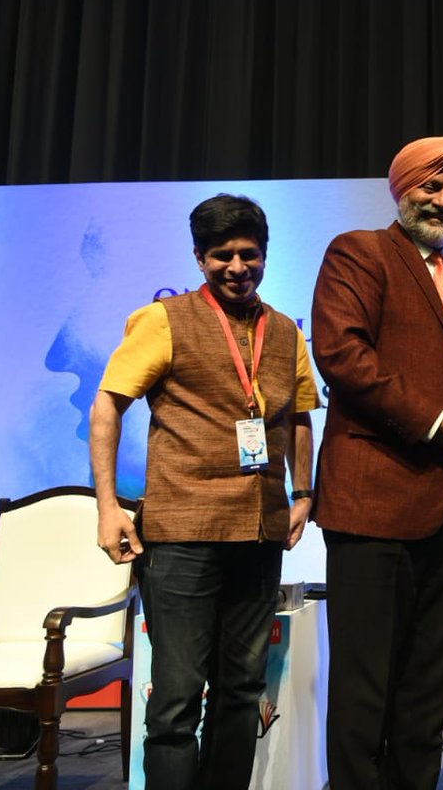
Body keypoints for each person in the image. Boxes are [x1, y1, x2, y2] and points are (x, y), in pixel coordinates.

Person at [89, 194, 318, 789]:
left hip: (260, 533)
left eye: (249, 255)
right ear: (198, 258)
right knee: (176, 699)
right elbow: (108, 405)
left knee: (242, 691)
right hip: (182, 536)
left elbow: (298, 417)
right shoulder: (162, 321)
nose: (237, 267)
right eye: (222, 256)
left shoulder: (288, 332)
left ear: (265, 256)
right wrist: (108, 506)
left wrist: (305, 493)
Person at [310, 136, 443, 789]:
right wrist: (441, 421)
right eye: (432, 186)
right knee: (364, 693)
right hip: (374, 504)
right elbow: (343, 357)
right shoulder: (359, 252)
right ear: (402, 189)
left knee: (425, 693)